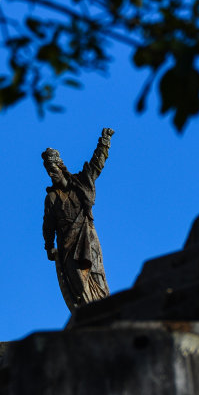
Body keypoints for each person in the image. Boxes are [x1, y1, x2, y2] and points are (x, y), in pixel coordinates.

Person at [42, 126, 113, 314]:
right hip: (67, 245)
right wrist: (49, 246)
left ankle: (105, 309)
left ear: (60, 167)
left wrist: (104, 142)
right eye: (48, 171)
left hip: (87, 238)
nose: (50, 174)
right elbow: (48, 224)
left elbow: (96, 165)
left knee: (96, 274)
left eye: (52, 169)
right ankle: (88, 313)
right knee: (79, 286)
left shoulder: (80, 183)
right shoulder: (51, 198)